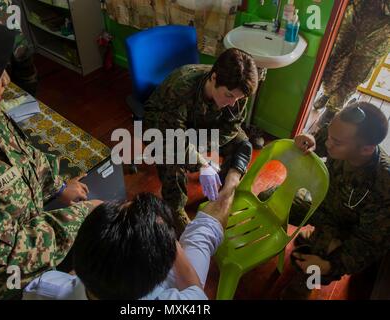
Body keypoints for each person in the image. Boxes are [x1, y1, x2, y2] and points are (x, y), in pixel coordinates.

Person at [0, 0, 99, 299]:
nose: (6, 80)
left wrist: (57, 186)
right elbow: (13, 252)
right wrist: (84, 214)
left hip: (37, 252)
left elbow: (23, 154)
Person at [23, 189, 234, 300]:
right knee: (202, 237)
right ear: (159, 279)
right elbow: (195, 293)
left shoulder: (43, 288)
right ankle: (232, 183)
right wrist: (170, 242)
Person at [143, 48, 258, 235]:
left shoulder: (236, 91)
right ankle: (175, 208)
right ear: (213, 78)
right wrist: (202, 162)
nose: (233, 103)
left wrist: (203, 148)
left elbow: (230, 128)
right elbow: (174, 140)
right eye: (229, 95)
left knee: (242, 144)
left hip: (202, 124)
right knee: (173, 159)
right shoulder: (180, 87)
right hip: (163, 124)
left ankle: (223, 192)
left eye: (239, 98)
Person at [283, 101, 389, 298]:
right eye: (330, 135)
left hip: (346, 231)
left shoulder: (384, 184)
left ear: (366, 149)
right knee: (272, 200)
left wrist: (330, 264)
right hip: (321, 204)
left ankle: (307, 284)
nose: (328, 143)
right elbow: (318, 141)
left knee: (313, 268)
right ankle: (315, 237)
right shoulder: (337, 135)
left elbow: (368, 243)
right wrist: (309, 141)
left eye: (336, 142)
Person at [314, 0, 390, 126]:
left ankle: (332, 109)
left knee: (352, 80)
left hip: (375, 44)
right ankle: (327, 95)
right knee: (333, 70)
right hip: (349, 30)